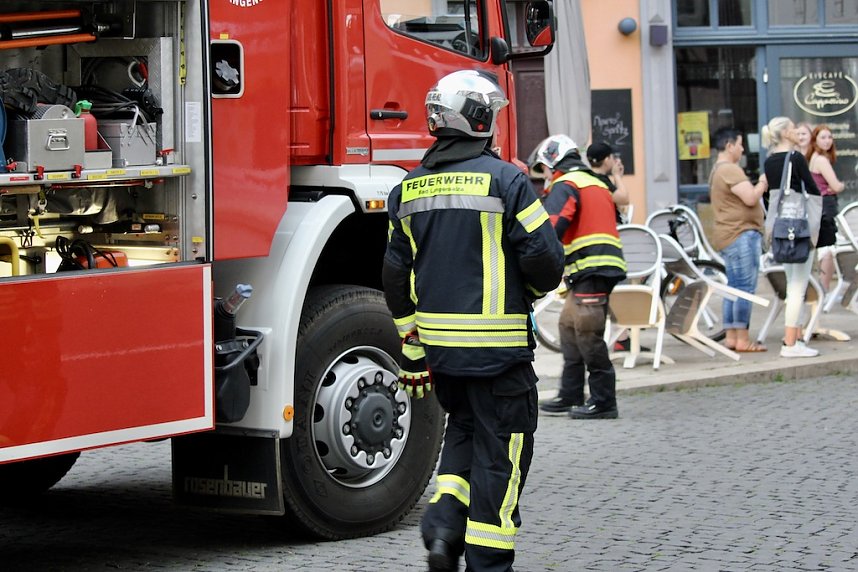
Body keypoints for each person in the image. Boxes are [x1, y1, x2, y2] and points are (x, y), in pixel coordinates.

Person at [382, 69, 564, 572]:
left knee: (462, 434)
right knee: (501, 460)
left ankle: (443, 529)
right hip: (500, 357)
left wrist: (413, 350)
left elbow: (395, 277)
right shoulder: (507, 181)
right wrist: (525, 292)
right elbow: (546, 261)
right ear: (480, 119)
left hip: (444, 358)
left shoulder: (408, 190)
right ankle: (488, 564)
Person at [538, 140, 628, 419]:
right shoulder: (595, 181)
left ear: (553, 162)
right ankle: (571, 394)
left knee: (588, 333)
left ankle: (604, 401)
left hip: (592, 267)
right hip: (595, 267)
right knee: (568, 327)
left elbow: (551, 228)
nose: (544, 175)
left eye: (543, 169)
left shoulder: (566, 183)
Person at [761, 116, 823, 358]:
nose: (797, 131)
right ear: (786, 133)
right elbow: (813, 191)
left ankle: (795, 338)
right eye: (793, 128)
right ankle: (790, 344)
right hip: (799, 228)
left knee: (791, 283)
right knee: (798, 287)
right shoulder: (795, 158)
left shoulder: (769, 161)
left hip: (781, 228)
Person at [709, 128, 768, 352]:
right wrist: (762, 183)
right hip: (741, 233)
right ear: (729, 145)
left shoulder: (717, 169)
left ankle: (732, 337)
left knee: (733, 287)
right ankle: (743, 339)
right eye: (740, 144)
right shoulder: (730, 169)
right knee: (744, 288)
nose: (743, 149)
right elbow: (750, 198)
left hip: (729, 234)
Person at [806, 124, 845, 292]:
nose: (827, 141)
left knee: (824, 248)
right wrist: (840, 186)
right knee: (829, 249)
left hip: (818, 205)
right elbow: (836, 186)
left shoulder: (814, 158)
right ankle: (824, 289)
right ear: (815, 140)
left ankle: (822, 289)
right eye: (823, 137)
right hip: (825, 206)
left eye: (829, 137)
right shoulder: (821, 160)